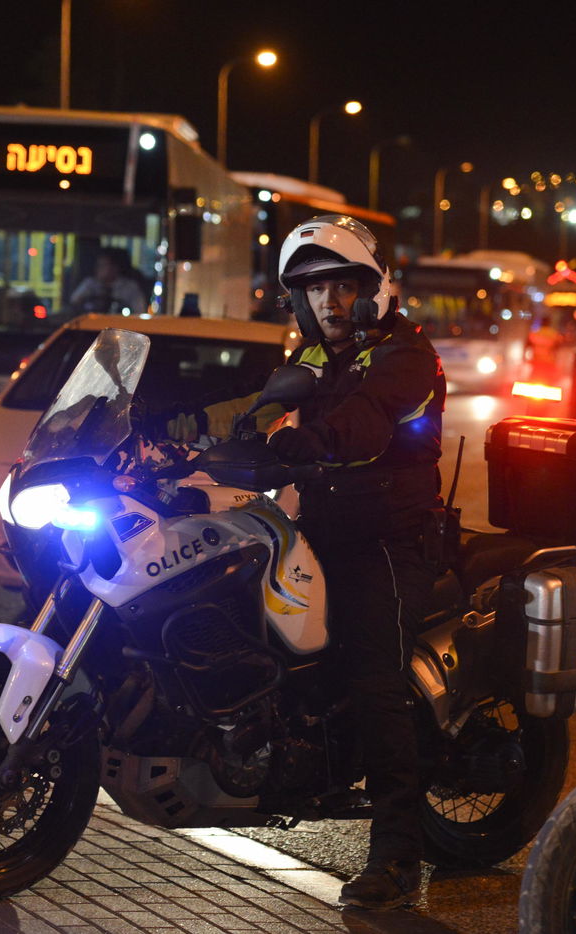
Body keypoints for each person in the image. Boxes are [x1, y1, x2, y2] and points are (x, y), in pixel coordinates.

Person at [172, 215, 446, 910]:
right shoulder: (314, 360)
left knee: (374, 676)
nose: (327, 302)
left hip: (387, 539)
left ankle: (396, 856)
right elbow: (260, 402)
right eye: (313, 289)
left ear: (370, 288)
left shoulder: (407, 356)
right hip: (319, 525)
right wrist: (180, 436)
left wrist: (310, 442)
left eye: (341, 285)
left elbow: (368, 419)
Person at [69, 248, 147, 315]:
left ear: (115, 267)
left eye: (103, 265)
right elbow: (74, 302)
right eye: (98, 265)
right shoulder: (90, 284)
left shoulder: (130, 287)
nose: (99, 268)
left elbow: (139, 311)